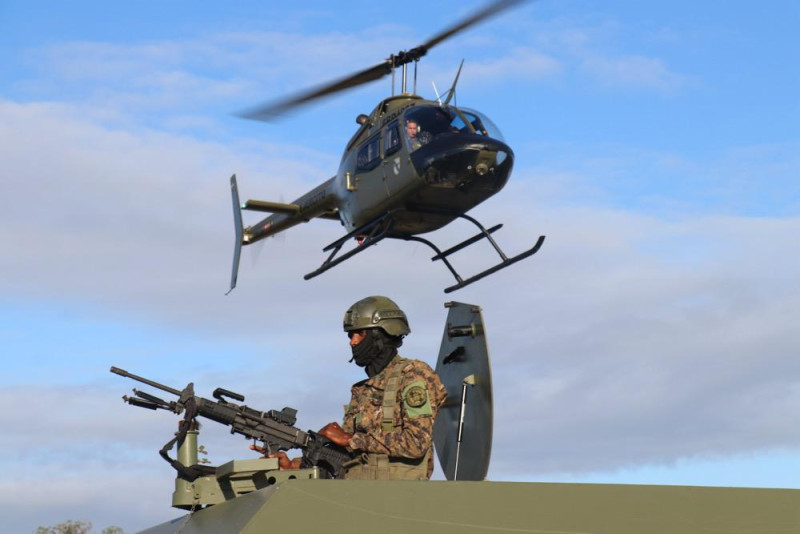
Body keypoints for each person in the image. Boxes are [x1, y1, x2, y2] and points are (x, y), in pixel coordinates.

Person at [317, 296, 447, 480]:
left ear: (380, 335)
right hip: (359, 492)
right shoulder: (363, 390)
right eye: (350, 335)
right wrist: (298, 464)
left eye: (359, 334)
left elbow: (417, 442)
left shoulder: (413, 375)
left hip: (398, 497)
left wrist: (351, 439)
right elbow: (347, 457)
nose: (352, 342)